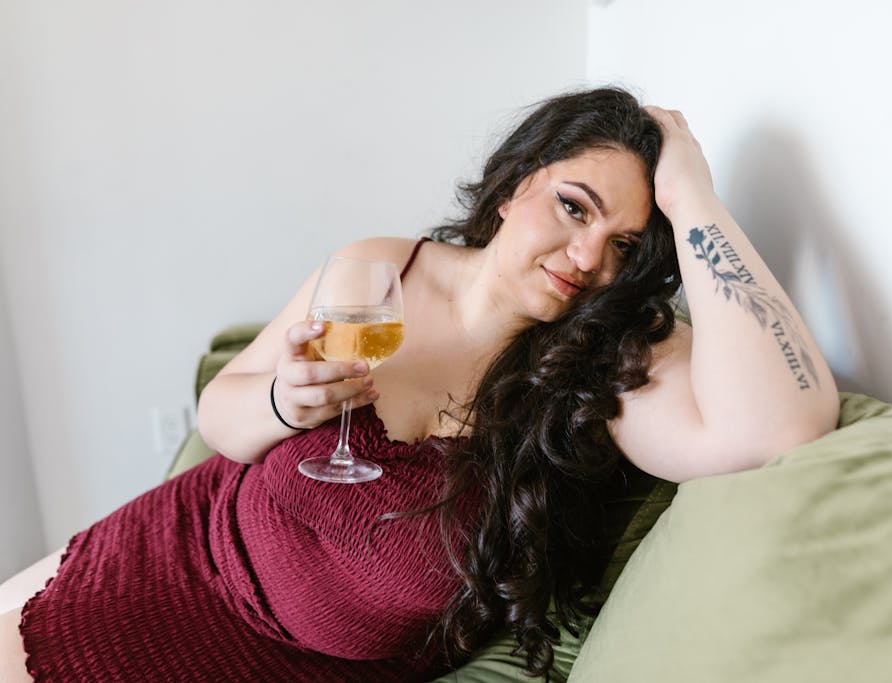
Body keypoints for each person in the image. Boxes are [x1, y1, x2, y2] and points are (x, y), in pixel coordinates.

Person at [0, 87, 840, 681]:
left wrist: (693, 197)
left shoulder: (603, 367)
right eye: (576, 208)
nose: (589, 259)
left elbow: (781, 423)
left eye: (625, 245)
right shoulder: (383, 268)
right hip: (169, 554)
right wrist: (279, 403)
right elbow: (224, 416)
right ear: (516, 188)